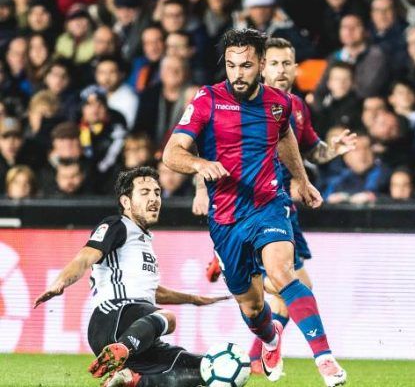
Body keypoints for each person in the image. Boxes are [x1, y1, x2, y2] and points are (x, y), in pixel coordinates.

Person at [162, 28, 347, 386]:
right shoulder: (207, 100)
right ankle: (269, 338)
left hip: (268, 205)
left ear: (259, 65)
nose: (237, 74)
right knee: (251, 305)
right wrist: (200, 166)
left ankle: (324, 358)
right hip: (226, 217)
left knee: (283, 272)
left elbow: (286, 138)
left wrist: (303, 182)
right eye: (231, 66)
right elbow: (172, 152)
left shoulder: (279, 103)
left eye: (245, 66)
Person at [33, 167, 227, 387]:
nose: (154, 198)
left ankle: (130, 380)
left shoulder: (143, 240)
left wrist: (195, 299)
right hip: (113, 318)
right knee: (169, 319)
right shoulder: (117, 225)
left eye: (156, 192)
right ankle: (121, 350)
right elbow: (84, 258)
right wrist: (60, 282)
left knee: (206, 369)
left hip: (140, 329)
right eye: (144, 192)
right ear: (126, 202)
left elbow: (152, 291)